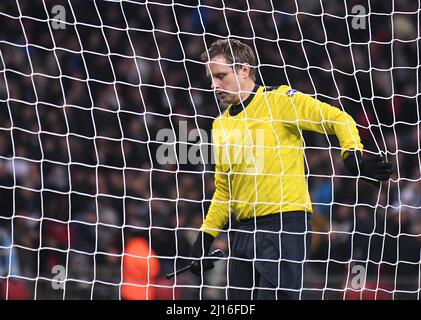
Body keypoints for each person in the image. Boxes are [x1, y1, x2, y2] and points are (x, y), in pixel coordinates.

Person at [189, 39, 392, 300]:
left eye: (220, 76)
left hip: (284, 226)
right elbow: (224, 191)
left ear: (244, 70)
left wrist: (352, 155)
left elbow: (336, 118)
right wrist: (205, 238)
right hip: (242, 233)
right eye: (211, 79)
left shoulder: (279, 101)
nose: (214, 86)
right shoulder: (220, 126)